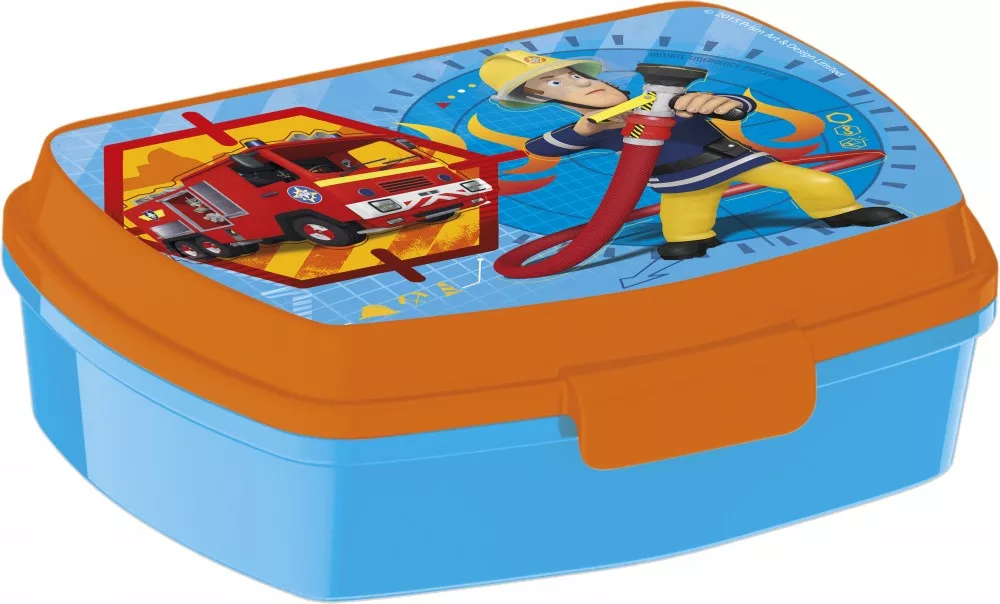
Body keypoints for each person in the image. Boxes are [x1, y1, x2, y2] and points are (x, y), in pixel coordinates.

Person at [479, 51, 905, 259]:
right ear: (538, 98)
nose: (582, 84)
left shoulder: (665, 97)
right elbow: (540, 148)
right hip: (677, 181)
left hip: (734, 158)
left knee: (818, 182)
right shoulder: (593, 127)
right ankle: (694, 240)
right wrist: (585, 129)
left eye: (573, 75)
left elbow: (737, 104)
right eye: (556, 84)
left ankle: (841, 212)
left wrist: (718, 104)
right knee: (683, 230)